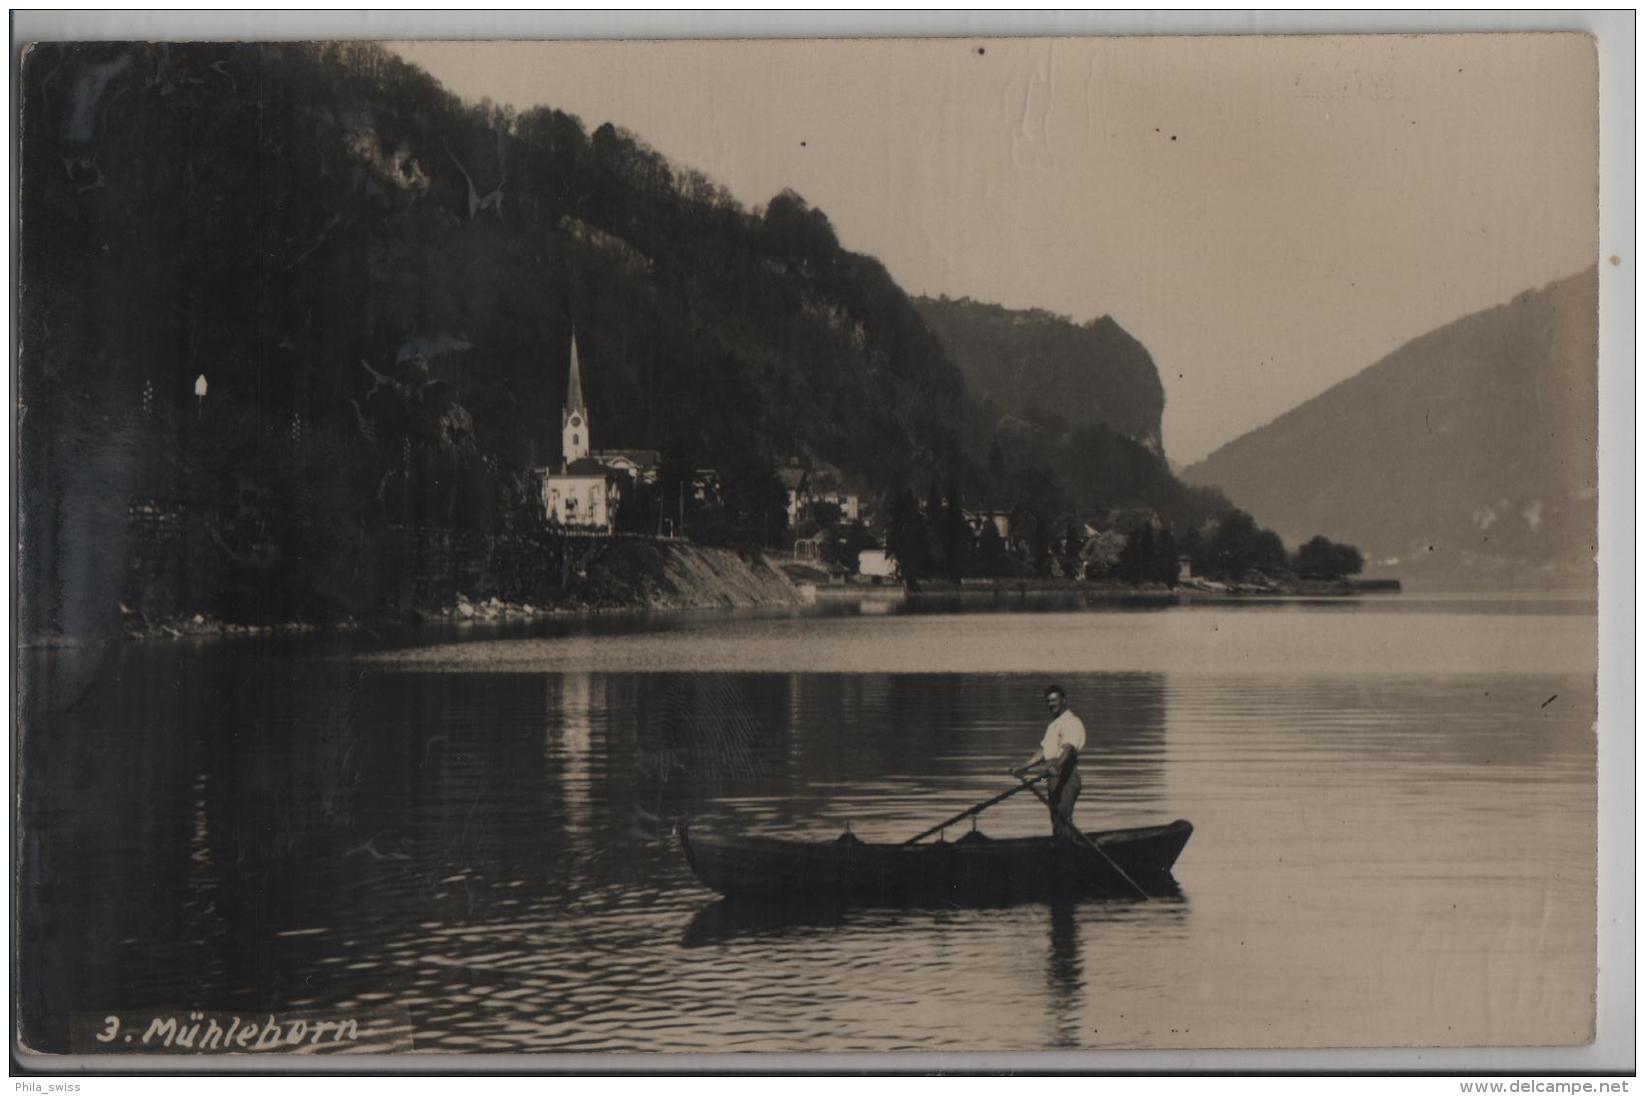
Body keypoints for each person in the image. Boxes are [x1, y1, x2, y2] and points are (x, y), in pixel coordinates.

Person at [1012, 684, 1087, 841]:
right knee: (1057, 821)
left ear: (1064, 701)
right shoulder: (1053, 726)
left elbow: (1068, 749)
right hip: (1053, 777)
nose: (1051, 704)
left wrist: (1057, 766)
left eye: (1054, 700)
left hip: (1066, 776)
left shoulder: (1072, 722)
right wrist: (1022, 768)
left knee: (1063, 819)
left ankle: (1067, 854)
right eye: (1048, 701)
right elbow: (1042, 752)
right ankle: (1064, 850)